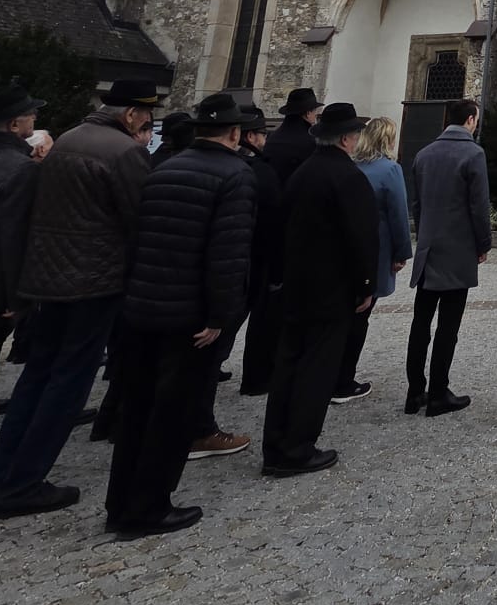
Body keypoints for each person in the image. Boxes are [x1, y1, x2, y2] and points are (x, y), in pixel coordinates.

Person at [0, 79, 157, 520]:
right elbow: (140, 218)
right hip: (92, 282)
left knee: (37, 377)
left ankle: (1, 479)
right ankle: (23, 484)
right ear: (132, 114)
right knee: (67, 385)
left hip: (50, 278)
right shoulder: (124, 152)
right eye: (146, 117)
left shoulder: (72, 137)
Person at [105, 92, 255, 536]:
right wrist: (219, 316)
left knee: (138, 408)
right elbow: (227, 255)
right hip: (189, 315)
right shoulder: (235, 175)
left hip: (144, 307)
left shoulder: (164, 167)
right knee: (172, 414)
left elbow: (137, 239)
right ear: (235, 133)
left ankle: (120, 504)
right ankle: (149, 508)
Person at [261, 103, 377, 478]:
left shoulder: (304, 172)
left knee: (289, 364)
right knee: (317, 369)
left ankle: (275, 445)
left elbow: (280, 228)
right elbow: (361, 237)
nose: (357, 140)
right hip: (331, 290)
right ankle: (297, 448)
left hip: (296, 286)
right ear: (345, 139)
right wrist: (365, 285)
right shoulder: (347, 177)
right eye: (355, 134)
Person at [405, 100, 487, 416]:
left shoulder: (424, 154)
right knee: (447, 327)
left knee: (420, 323)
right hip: (457, 250)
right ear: (470, 120)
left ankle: (415, 391)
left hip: (428, 250)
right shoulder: (473, 154)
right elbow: (478, 206)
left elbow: (416, 204)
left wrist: (426, 231)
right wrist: (482, 243)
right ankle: (439, 392)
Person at [0, 81, 44, 418]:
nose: (35, 118)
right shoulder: (20, 169)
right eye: (30, 114)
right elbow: (15, 238)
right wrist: (17, 298)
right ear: (14, 124)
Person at [355, 117, 413, 399]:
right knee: (362, 313)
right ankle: (344, 376)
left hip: (349, 247)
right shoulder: (390, 169)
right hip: (377, 247)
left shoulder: (353, 165)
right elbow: (398, 213)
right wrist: (402, 252)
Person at [237, 105, 286, 397]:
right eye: (262, 134)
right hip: (254, 257)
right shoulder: (260, 171)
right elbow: (274, 220)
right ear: (250, 136)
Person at [262, 88, 322, 187]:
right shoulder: (310, 143)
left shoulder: (272, 138)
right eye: (314, 111)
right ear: (308, 113)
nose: (315, 115)